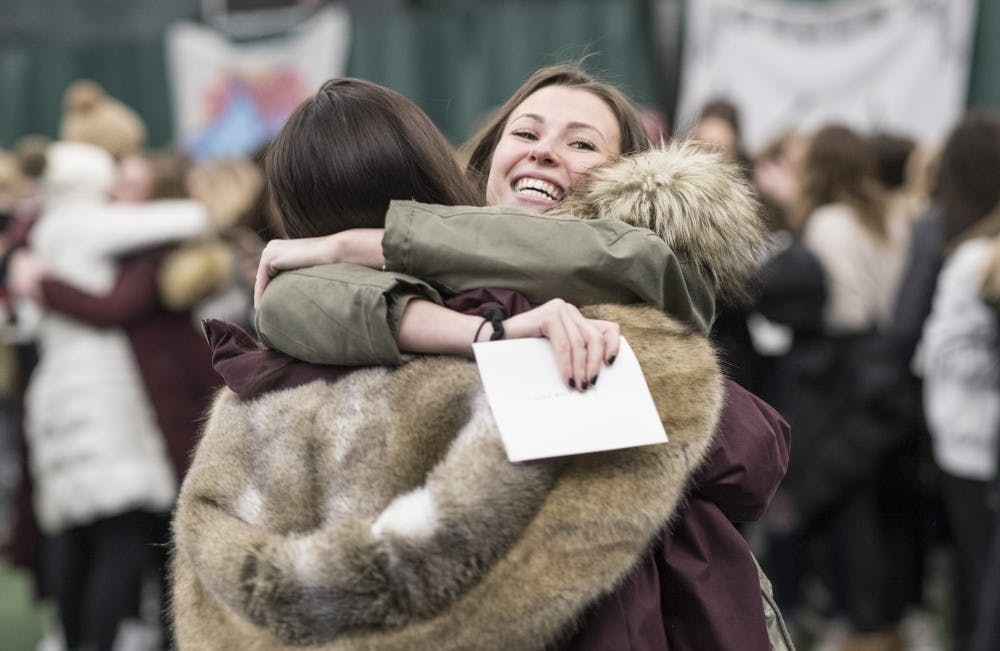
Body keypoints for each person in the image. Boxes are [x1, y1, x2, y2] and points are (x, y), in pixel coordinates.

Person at [248, 66, 789, 649]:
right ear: (490, 157)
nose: (546, 153)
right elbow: (284, 299)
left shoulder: (652, 265)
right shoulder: (441, 281)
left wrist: (361, 242)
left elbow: (622, 257)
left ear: (632, 179)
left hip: (648, 613)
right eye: (526, 134)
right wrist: (484, 331)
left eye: (582, 143)